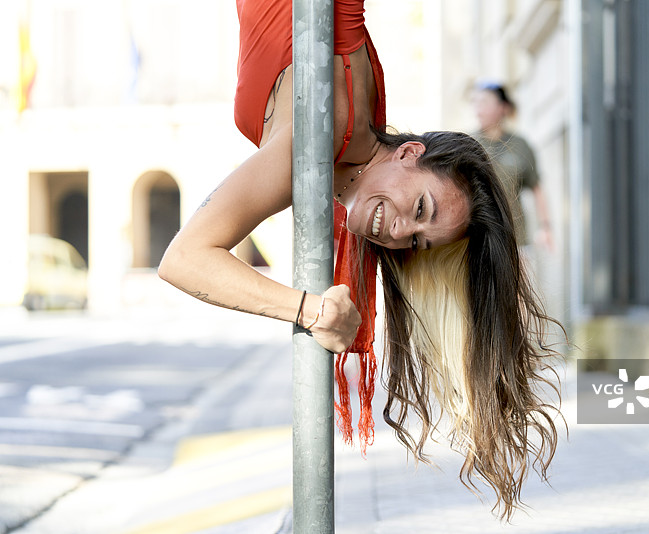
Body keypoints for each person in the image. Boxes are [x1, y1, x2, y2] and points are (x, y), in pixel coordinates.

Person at [158, 0, 562, 520]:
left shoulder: (342, 157)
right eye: (420, 208)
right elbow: (185, 258)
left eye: (416, 241)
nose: (398, 231)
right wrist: (309, 310)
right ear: (411, 153)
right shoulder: (322, 136)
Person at [472, 82, 554, 252]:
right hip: (477, 240)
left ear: (503, 107)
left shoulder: (520, 145)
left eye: (485, 102)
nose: (478, 108)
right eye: (476, 102)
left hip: (515, 239)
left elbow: (536, 188)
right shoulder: (468, 145)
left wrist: (545, 228)